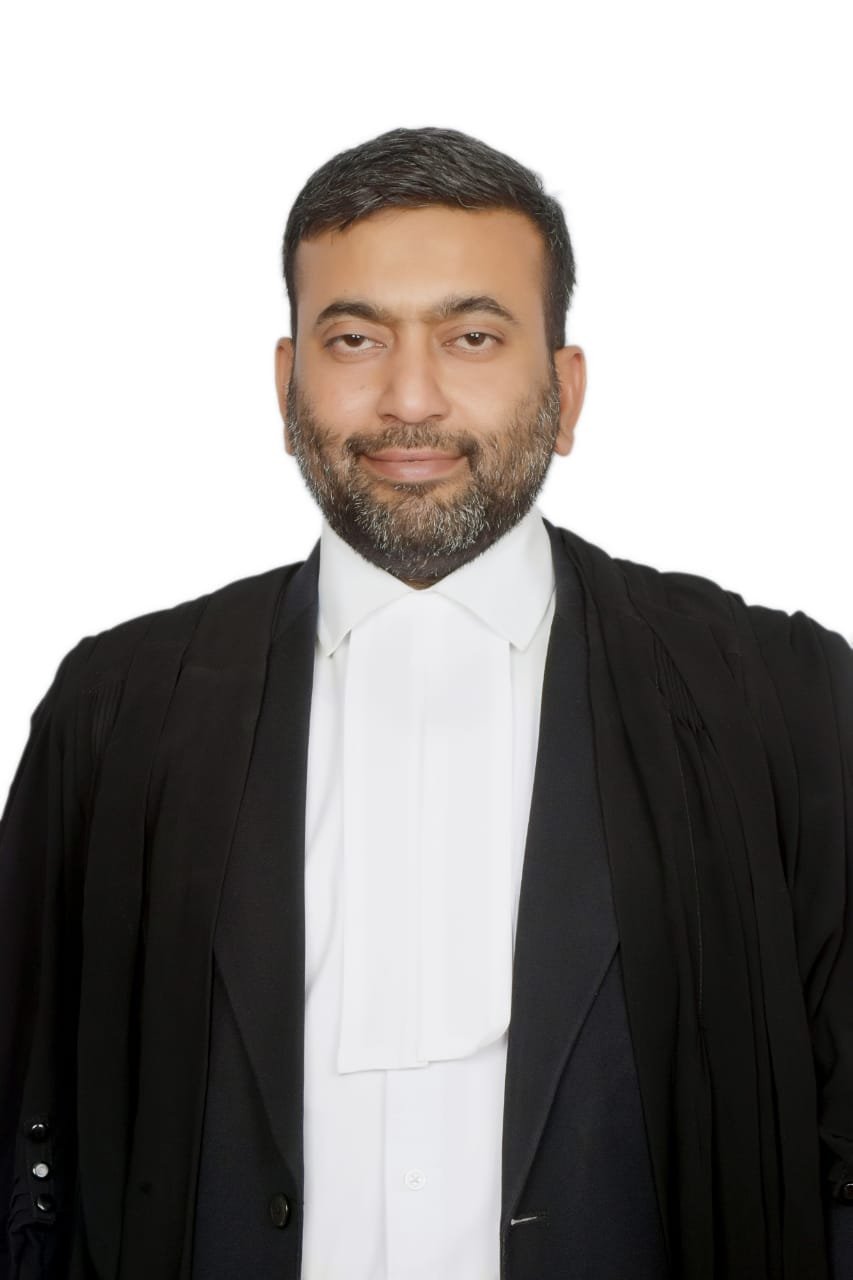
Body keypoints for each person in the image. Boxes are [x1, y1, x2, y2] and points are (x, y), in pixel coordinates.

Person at [1, 125, 850, 1280]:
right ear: (286, 381)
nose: (409, 398)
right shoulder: (118, 706)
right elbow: (27, 1127)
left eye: (472, 336)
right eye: (354, 338)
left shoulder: (778, 698)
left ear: (564, 391)